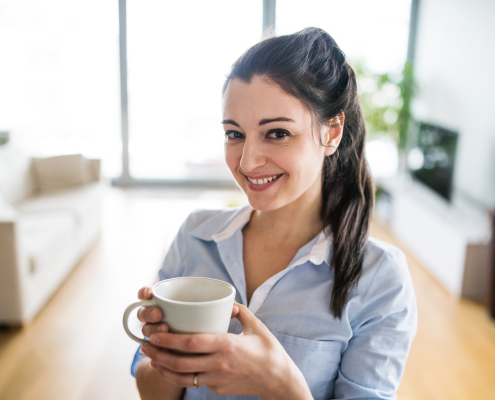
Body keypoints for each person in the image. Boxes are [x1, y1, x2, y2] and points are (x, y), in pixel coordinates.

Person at [130, 27, 417, 400]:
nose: (248, 161)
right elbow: (153, 392)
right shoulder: (195, 235)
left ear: (332, 132)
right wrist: (165, 354)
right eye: (234, 134)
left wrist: (280, 385)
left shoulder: (381, 279)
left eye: (277, 133)